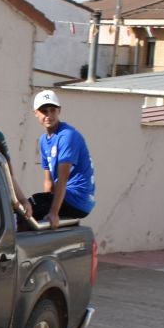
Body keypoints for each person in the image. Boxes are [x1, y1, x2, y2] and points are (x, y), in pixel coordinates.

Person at [29, 89, 96, 228]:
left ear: (59, 110)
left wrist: (53, 213)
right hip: (67, 197)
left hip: (77, 199)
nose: (48, 115)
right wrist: (46, 207)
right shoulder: (43, 140)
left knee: (27, 209)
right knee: (30, 206)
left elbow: (62, 179)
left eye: (52, 110)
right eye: (44, 111)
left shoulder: (67, 136)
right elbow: (48, 182)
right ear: (35, 113)